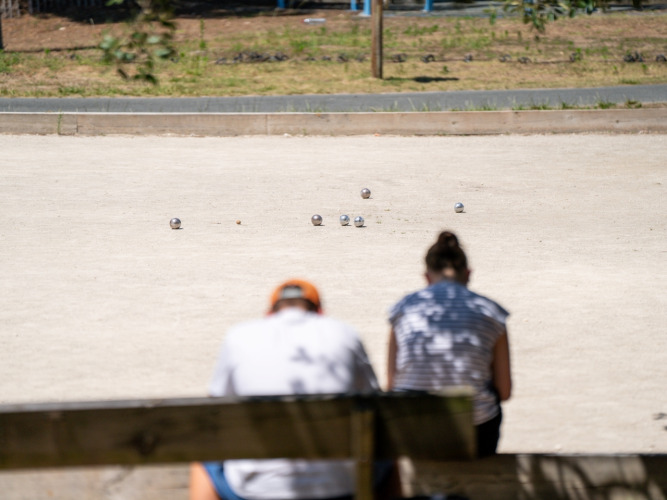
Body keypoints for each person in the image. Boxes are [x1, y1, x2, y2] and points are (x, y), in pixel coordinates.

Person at [190, 279, 391, 500]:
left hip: (256, 489)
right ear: (320, 312)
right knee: (389, 454)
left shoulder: (238, 336)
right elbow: (375, 401)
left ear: (269, 313)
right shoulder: (346, 334)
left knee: (202, 457)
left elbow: (215, 408)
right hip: (342, 485)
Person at [386, 231, 512, 457]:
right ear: (468, 274)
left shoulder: (403, 309)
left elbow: (391, 385)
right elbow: (504, 391)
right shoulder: (492, 313)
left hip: (413, 431)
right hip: (475, 434)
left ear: (426, 277)